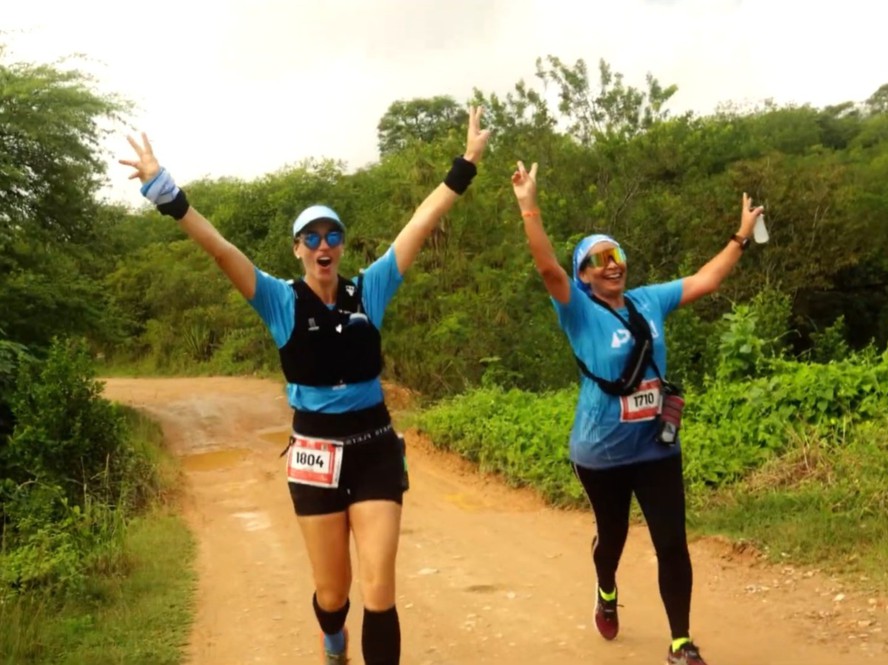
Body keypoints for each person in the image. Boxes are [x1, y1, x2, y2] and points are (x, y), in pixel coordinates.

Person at [121, 108, 490, 665]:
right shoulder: (279, 299)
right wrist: (162, 190)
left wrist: (464, 165)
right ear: (298, 248)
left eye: (333, 235)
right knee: (333, 592)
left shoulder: (371, 288)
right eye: (311, 236)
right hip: (315, 454)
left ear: (342, 246)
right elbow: (219, 247)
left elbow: (419, 224)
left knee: (380, 587)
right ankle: (333, 637)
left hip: (374, 449)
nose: (324, 244)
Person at [510, 160, 763, 665]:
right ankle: (605, 588)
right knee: (615, 537)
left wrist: (740, 236)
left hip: (655, 446)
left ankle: (680, 643)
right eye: (598, 259)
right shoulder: (576, 309)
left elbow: (707, 281)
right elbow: (546, 268)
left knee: (672, 542)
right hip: (600, 452)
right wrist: (528, 206)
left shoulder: (648, 301)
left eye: (617, 254)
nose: (611, 264)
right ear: (582, 275)